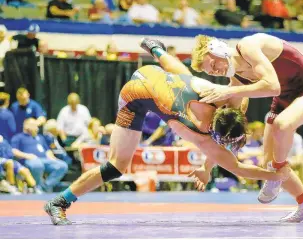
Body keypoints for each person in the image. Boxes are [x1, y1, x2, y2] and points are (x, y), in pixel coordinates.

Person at [44, 39, 286, 225]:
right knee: (116, 166)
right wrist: (277, 176)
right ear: (214, 132)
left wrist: (205, 168)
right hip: (134, 96)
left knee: (187, 78)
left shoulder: (219, 95)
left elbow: (237, 85)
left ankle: (156, 49)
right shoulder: (195, 133)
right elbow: (238, 167)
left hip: (153, 73)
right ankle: (59, 202)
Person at [190, 33, 303, 222]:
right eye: (212, 73)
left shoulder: (248, 46)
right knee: (268, 165)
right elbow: (226, 132)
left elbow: (272, 86)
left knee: (281, 126)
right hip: (284, 100)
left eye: (214, 65)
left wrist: (229, 90)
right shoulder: (236, 80)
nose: (216, 72)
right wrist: (206, 167)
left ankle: (279, 171)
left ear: (218, 50)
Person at [11, 118, 68, 192]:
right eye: (34, 125)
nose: (37, 128)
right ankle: (37, 187)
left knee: (62, 165)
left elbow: (47, 151)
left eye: (37, 126)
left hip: (45, 160)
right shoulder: (18, 137)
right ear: (26, 126)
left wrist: (52, 158)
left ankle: (44, 187)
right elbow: (14, 151)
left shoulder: (40, 137)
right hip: (30, 160)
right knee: (38, 165)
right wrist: (27, 156)